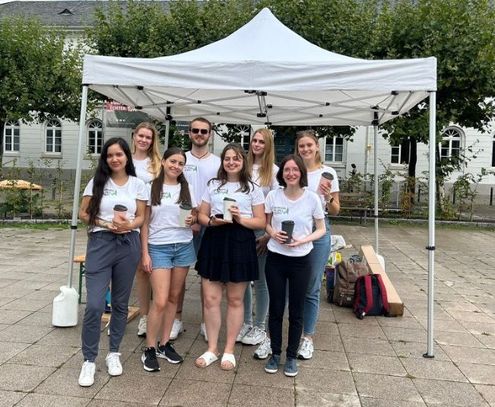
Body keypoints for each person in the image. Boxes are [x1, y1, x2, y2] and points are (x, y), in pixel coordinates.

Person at [78, 137, 148, 387]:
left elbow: (141, 217)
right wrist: (107, 223)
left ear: (127, 156)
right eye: (110, 155)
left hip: (128, 244)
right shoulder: (97, 181)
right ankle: (88, 360)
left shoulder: (138, 184)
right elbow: (83, 213)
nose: (115, 159)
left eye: (119, 154)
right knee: (95, 305)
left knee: (120, 303)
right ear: (105, 159)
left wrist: (129, 225)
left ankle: (114, 353)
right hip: (100, 243)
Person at [195, 143, 265, 370]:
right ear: (222, 162)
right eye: (227, 158)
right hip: (214, 240)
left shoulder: (252, 188)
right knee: (211, 300)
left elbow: (261, 222)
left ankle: (229, 350)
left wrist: (239, 218)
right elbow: (202, 216)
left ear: (243, 161)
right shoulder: (213, 185)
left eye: (236, 158)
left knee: (235, 300)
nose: (232, 162)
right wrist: (213, 221)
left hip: (240, 243)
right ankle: (212, 348)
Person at [263, 154, 326, 377]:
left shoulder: (312, 199)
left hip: (301, 260)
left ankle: (291, 357)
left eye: (295, 170)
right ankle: (274, 354)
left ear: (301, 173)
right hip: (276, 259)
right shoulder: (273, 195)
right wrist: (273, 234)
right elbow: (266, 223)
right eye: (287, 170)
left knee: (297, 310)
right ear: (282, 173)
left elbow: (321, 229)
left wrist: (304, 239)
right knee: (277, 309)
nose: (291, 173)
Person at [140, 147, 197, 372]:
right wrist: (144, 253)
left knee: (174, 298)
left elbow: (192, 218)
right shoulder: (150, 187)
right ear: (163, 162)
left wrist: (192, 219)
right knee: (161, 300)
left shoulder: (187, 187)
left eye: (180, 163)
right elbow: (144, 223)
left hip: (183, 245)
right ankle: (149, 348)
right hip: (158, 247)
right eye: (172, 161)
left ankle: (165, 344)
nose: (176, 166)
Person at [294, 129, 340, 360]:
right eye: (302, 146)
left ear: (317, 146)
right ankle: (289, 332)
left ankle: (307, 337)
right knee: (291, 284)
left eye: (309, 145)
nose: (305, 149)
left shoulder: (328, 173)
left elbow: (335, 210)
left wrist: (329, 197)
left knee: (312, 286)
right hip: (295, 230)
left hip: (319, 230)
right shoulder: (293, 169)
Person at [177, 117, 221, 341]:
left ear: (210, 134)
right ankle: (176, 319)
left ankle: (207, 321)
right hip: (183, 221)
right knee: (179, 274)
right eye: (195, 130)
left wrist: (203, 217)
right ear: (189, 133)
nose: (199, 134)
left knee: (208, 275)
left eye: (204, 131)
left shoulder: (218, 162)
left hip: (210, 223)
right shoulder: (180, 158)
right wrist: (190, 217)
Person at [237, 129, 278, 353]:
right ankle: (246, 322)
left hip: (262, 234)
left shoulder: (273, 172)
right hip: (243, 230)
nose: (256, 144)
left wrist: (267, 235)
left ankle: (260, 326)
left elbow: (276, 209)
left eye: (262, 141)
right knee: (243, 281)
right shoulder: (242, 167)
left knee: (261, 281)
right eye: (254, 140)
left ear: (268, 145)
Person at [132, 122, 162, 338]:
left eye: (148, 137)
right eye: (141, 136)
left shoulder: (157, 164)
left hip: (151, 219)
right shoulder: (124, 160)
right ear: (134, 136)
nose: (144, 140)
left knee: (149, 268)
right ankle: (143, 315)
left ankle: (152, 315)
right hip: (127, 219)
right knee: (137, 271)